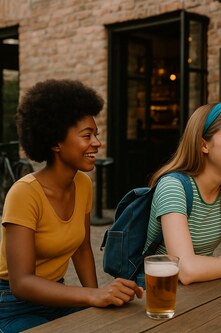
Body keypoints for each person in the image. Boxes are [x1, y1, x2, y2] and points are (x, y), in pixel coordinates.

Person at [0, 79, 143, 333]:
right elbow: (20, 282)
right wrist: (91, 297)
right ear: (56, 143)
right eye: (87, 135)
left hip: (59, 296)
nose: (97, 143)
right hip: (13, 304)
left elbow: (82, 248)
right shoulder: (23, 194)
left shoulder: (83, 184)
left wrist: (97, 299)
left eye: (95, 135)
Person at [143, 102, 221, 285]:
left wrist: (211, 265)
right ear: (204, 145)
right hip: (164, 294)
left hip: (205, 288)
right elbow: (187, 271)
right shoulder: (173, 187)